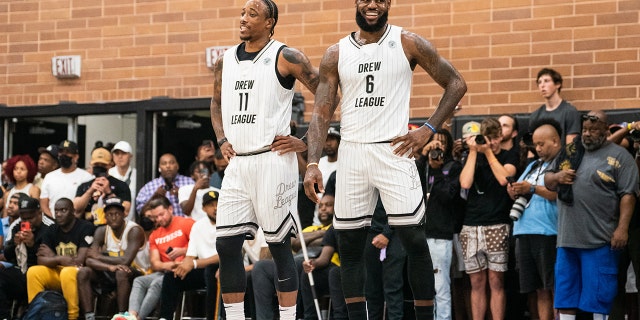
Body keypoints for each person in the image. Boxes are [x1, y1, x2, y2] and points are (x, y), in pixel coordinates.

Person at [303, 0, 466, 318]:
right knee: (349, 247)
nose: (372, 4)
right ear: (356, 3)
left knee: (415, 240)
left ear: (389, 3)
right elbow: (322, 112)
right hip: (351, 152)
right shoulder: (336, 53)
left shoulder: (408, 41)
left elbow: (456, 84)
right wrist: (312, 163)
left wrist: (427, 130)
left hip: (394, 149)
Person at [209, 0, 320, 319]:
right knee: (226, 246)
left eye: (252, 14)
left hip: (273, 160)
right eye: (243, 13)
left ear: (270, 22)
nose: (243, 19)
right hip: (238, 164)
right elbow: (215, 103)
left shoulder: (287, 56)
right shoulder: (225, 60)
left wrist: (305, 141)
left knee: (278, 245)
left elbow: (328, 95)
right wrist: (222, 139)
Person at [545, 110, 639, 319]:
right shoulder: (570, 151)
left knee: (598, 299)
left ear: (606, 131)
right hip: (567, 240)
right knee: (565, 297)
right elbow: (548, 180)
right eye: (585, 129)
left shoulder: (620, 156)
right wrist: (558, 176)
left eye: (593, 130)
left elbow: (628, 195)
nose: (587, 134)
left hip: (600, 241)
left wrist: (622, 229)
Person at [458, 118, 518, 320]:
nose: (490, 142)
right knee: (476, 282)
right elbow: (465, 183)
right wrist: (474, 151)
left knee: (496, 280)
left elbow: (504, 178)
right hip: (471, 225)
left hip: (497, 224)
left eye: (494, 138)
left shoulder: (510, 155)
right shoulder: (473, 156)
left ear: (501, 137)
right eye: (487, 138)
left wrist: (489, 152)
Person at [506, 119, 563, 320]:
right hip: (524, 231)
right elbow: (523, 188)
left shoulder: (562, 163)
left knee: (554, 287)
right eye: (535, 144)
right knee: (537, 289)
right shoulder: (532, 165)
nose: (537, 148)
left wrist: (531, 188)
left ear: (555, 141)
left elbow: (559, 194)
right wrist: (514, 190)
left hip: (548, 232)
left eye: (541, 144)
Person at [26, 197, 95, 320]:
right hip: (58, 270)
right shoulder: (52, 229)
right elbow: (40, 259)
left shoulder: (85, 227)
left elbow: (79, 261)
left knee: (67, 272)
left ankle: (71, 316)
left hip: (80, 273)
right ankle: (36, 312)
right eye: (56, 210)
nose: (58, 214)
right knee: (33, 272)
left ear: (73, 211)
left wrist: (53, 257)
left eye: (63, 210)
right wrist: (59, 259)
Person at [77, 197, 146, 320]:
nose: (113, 217)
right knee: (84, 272)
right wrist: (109, 267)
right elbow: (89, 259)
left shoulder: (134, 230)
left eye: (117, 214)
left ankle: (122, 315)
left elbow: (126, 261)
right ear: (105, 216)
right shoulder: (101, 231)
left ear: (124, 214)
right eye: (110, 214)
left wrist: (99, 256)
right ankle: (89, 316)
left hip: (138, 273)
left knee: (121, 271)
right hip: (111, 271)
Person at [419, 129, 463, 320]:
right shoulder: (423, 165)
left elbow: (448, 197)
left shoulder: (453, 167)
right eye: (434, 142)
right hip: (418, 235)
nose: (438, 147)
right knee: (421, 288)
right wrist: (423, 156)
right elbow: (411, 184)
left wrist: (437, 170)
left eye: (442, 143)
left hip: (440, 235)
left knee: (441, 287)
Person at [0, 193, 54, 319]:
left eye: (30, 218)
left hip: (41, 273)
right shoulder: (18, 225)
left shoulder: (50, 227)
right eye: (23, 218)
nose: (26, 222)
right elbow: (8, 256)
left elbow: (49, 260)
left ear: (39, 212)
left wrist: (32, 245)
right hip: (21, 271)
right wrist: (14, 244)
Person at [171, 190, 222, 320]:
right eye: (211, 205)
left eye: (218, 203)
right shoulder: (198, 226)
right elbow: (190, 255)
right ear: (204, 208)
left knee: (211, 271)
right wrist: (183, 265)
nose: (215, 208)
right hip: (202, 269)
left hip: (224, 268)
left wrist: (193, 263)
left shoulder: (229, 223)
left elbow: (224, 255)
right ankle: (166, 317)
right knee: (172, 276)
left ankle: (212, 317)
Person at [145, 195, 195, 320]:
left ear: (170, 209)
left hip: (194, 266)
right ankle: (134, 316)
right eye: (156, 217)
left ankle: (163, 317)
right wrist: (173, 265)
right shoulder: (155, 234)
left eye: (161, 214)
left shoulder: (187, 223)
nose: (159, 219)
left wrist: (183, 251)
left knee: (165, 280)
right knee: (139, 281)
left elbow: (202, 246)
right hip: (169, 270)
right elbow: (155, 264)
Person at [74, 147, 132, 225]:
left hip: (111, 229)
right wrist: (90, 191)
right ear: (91, 163)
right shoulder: (84, 186)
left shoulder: (121, 185)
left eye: (103, 165)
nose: (99, 167)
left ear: (110, 165)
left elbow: (125, 211)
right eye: (96, 164)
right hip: (87, 229)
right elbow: (76, 208)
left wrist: (109, 192)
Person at [40, 140, 93, 219]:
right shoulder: (49, 177)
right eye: (61, 151)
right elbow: (44, 204)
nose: (63, 155)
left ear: (76, 156)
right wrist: (53, 222)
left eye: (68, 152)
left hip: (77, 224)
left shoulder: (86, 177)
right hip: (53, 224)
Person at [529, 68, 581, 145]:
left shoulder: (569, 112)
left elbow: (571, 146)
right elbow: (532, 146)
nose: (542, 85)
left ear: (557, 84)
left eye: (546, 81)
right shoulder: (535, 115)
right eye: (539, 82)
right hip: (540, 156)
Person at [135, 153, 194, 217]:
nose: (168, 166)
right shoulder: (148, 187)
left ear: (177, 166)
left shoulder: (190, 182)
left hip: (186, 225)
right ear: (159, 168)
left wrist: (182, 194)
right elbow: (140, 212)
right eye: (164, 163)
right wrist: (155, 197)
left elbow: (200, 206)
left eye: (171, 163)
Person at [109, 141, 137, 221]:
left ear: (130, 156)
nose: (120, 157)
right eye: (117, 153)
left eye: (124, 153)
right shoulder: (108, 174)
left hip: (131, 222)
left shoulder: (137, 175)